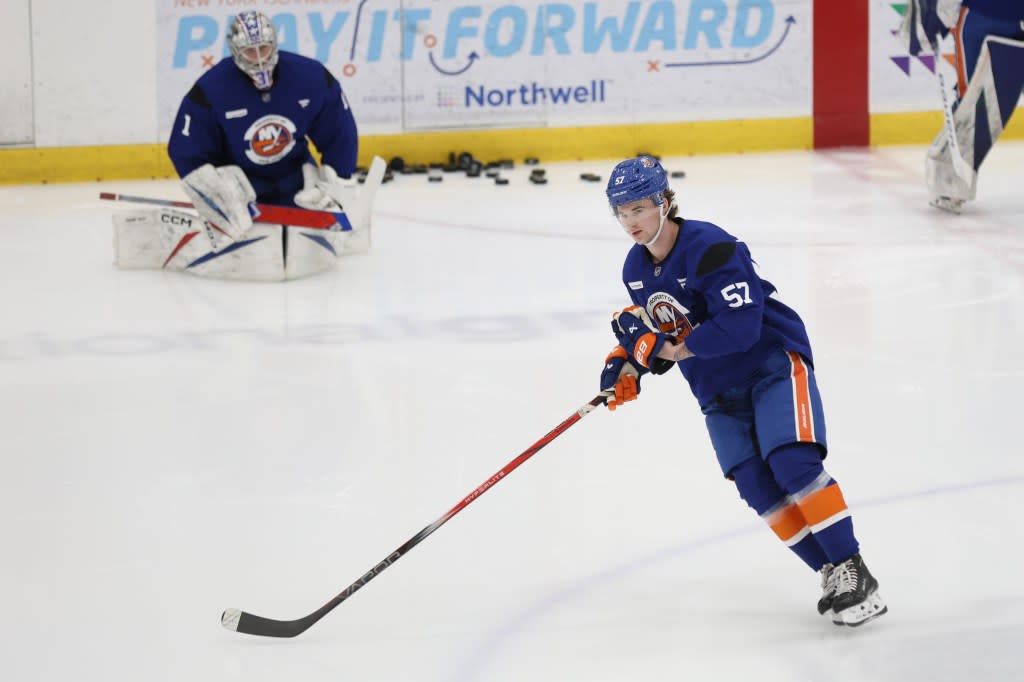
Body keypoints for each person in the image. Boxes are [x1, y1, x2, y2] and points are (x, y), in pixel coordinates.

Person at [598, 156, 887, 627]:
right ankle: (831, 571)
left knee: (792, 463)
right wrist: (623, 366)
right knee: (756, 485)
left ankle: (854, 568)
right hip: (715, 390)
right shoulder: (634, 268)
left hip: (770, 365)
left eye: (638, 209)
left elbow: (741, 328)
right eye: (621, 212)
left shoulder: (711, 246)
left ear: (664, 203)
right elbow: (652, 330)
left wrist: (667, 353)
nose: (630, 221)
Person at [113, 10, 374, 280]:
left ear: (275, 44)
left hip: (295, 180)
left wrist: (335, 181)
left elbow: (339, 130)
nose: (260, 59)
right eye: (251, 51)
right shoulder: (212, 89)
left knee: (311, 213)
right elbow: (186, 149)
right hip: (244, 188)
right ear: (236, 51)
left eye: (264, 48)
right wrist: (212, 191)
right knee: (234, 228)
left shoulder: (312, 77)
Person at [898, 1, 1024, 213]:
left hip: (1015, 22)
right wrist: (933, 15)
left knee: (999, 97)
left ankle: (949, 178)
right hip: (978, 18)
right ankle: (947, 181)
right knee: (974, 99)